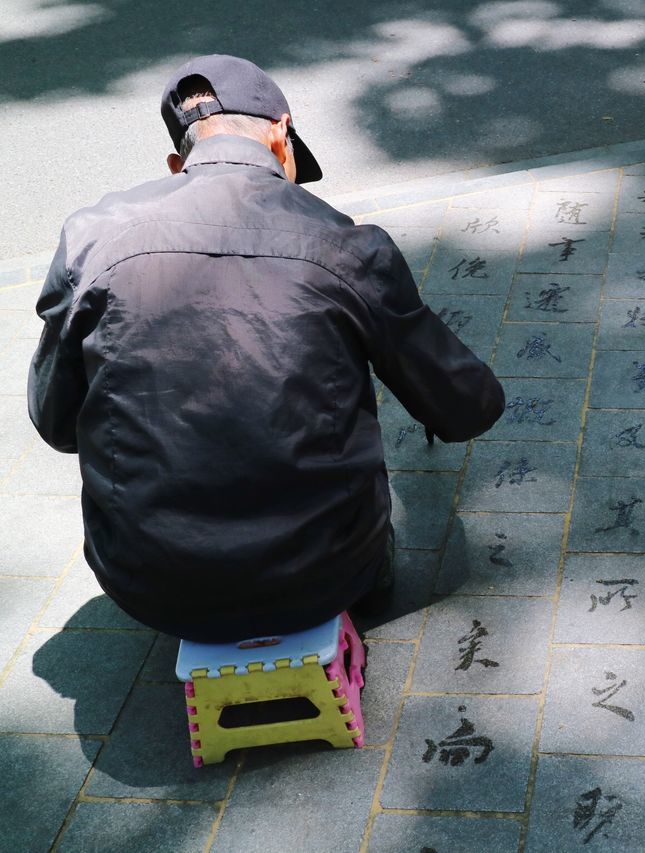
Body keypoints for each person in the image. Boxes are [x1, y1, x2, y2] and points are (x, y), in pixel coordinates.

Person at [27, 55, 504, 643]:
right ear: (282, 135)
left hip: (147, 585)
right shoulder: (346, 245)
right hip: (326, 576)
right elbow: (468, 410)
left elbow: (57, 424)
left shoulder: (91, 236)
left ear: (179, 165)